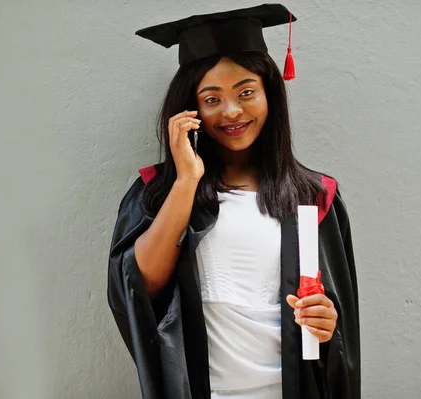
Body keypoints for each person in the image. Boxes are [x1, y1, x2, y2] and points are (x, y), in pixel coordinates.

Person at [107, 4, 360, 398]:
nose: (231, 111)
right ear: (189, 109)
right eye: (211, 99)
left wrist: (329, 325)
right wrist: (187, 178)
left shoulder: (314, 196)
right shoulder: (156, 192)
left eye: (246, 92)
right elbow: (140, 288)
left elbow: (337, 332)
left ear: (269, 95)